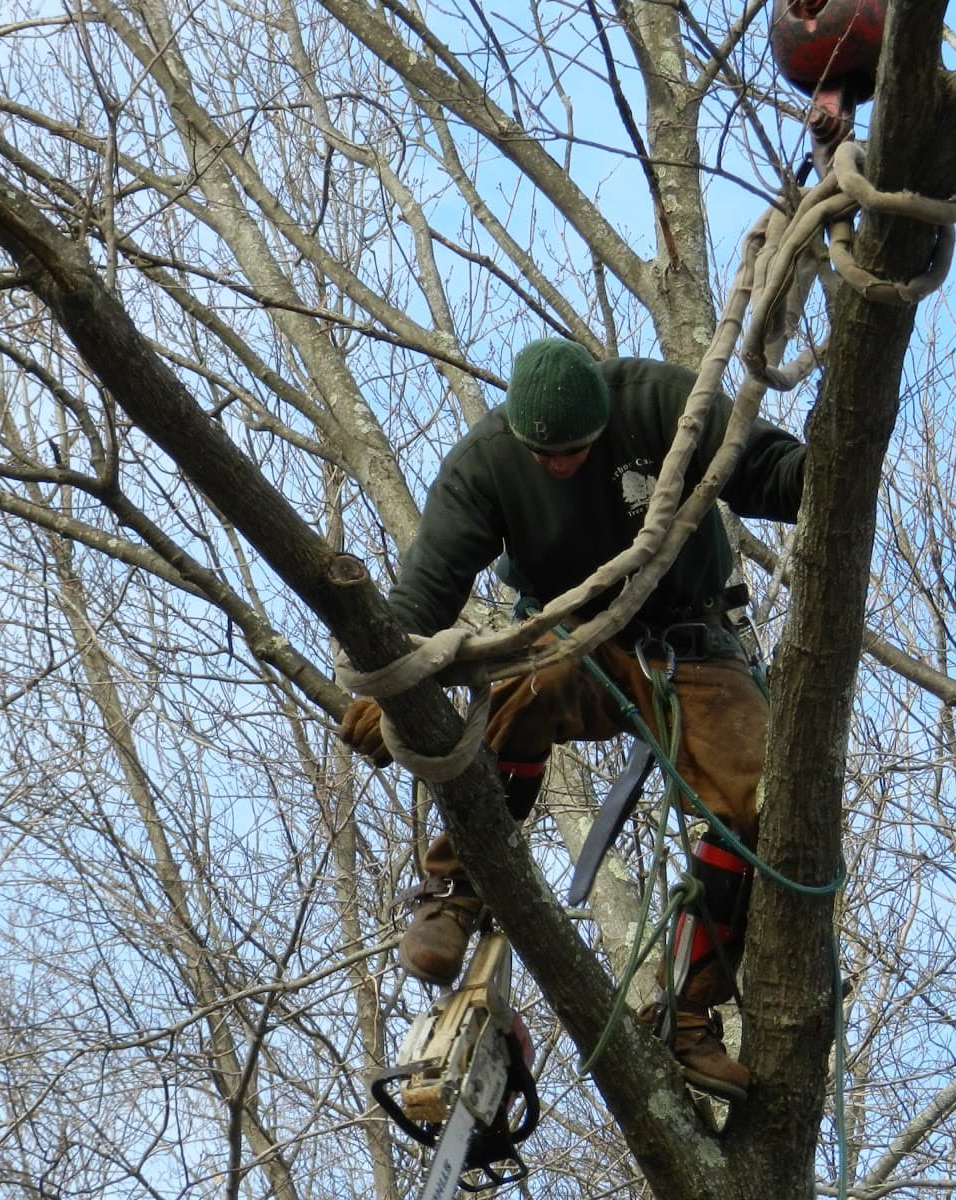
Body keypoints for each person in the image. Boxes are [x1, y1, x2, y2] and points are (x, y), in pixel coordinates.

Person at [339, 337, 805, 1099]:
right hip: (575, 635)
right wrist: (387, 684)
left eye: (577, 452)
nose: (560, 466)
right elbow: (425, 589)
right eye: (545, 455)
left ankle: (684, 1015)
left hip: (691, 641)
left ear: (604, 422)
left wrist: (831, 476)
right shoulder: (485, 465)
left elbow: (764, 469)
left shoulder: (664, 406)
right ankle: (456, 887)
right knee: (528, 690)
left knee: (760, 804)